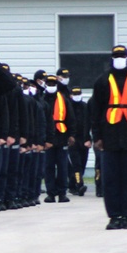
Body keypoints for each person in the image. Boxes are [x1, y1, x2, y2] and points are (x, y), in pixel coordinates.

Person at [90, 45, 127, 230]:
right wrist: (97, 136)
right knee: (111, 179)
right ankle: (115, 216)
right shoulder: (102, 80)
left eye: (122, 56)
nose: (119, 59)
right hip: (109, 137)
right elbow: (95, 110)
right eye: (116, 56)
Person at [42, 73, 75, 202]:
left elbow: (70, 118)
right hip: (47, 138)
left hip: (61, 135)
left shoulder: (64, 100)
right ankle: (51, 193)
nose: (51, 86)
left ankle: (62, 193)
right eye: (49, 84)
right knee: (48, 166)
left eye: (53, 84)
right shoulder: (42, 99)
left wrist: (71, 135)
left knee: (62, 166)